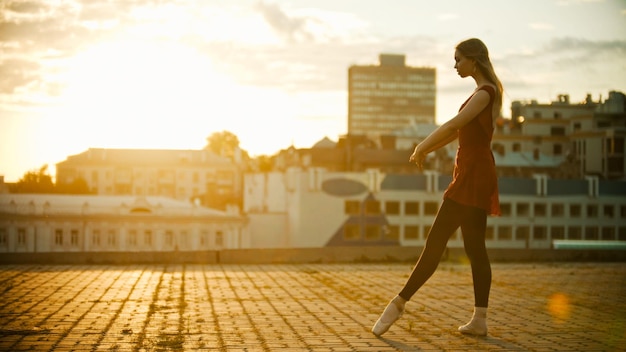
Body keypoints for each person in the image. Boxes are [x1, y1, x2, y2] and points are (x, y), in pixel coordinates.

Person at [372, 38, 502, 337]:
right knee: (474, 247)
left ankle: (398, 303)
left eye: (458, 59)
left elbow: (452, 126)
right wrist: (427, 150)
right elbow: (458, 134)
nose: (454, 65)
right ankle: (479, 319)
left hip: (473, 174)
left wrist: (421, 145)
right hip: (473, 171)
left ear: (473, 60)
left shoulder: (484, 93)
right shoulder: (483, 93)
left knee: (436, 242)